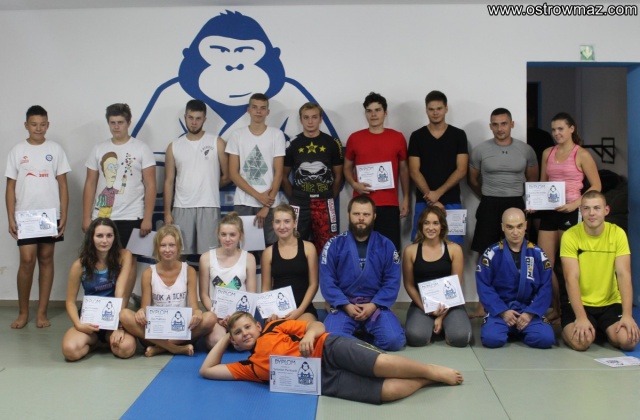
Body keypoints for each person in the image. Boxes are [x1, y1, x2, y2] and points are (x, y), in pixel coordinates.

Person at [199, 311, 463, 404]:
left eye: (247, 327)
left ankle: (430, 370)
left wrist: (308, 336)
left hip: (327, 348)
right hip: (321, 380)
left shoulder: (273, 327)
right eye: (238, 333)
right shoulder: (249, 367)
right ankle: (427, 379)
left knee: (381, 364)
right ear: (234, 340)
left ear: (258, 326)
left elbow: (316, 324)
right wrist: (226, 336)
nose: (244, 333)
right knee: (386, 392)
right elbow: (207, 370)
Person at [83, 103, 157, 305]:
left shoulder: (141, 148)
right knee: (101, 259)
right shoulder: (99, 149)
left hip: (133, 215)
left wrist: (148, 218)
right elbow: (90, 184)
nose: (116, 126)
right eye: (112, 122)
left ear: (128, 122)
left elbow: (151, 184)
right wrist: (86, 217)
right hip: (102, 217)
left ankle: (121, 305)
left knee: (129, 262)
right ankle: (103, 303)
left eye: (120, 122)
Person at [5, 105, 70, 329]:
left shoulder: (55, 149)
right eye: (34, 124)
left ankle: (42, 312)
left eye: (42, 124)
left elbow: (63, 185)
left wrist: (64, 215)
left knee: (46, 258)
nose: (38, 128)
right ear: (26, 125)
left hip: (49, 215)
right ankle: (23, 313)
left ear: (48, 125)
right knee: (27, 260)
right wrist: (10, 217)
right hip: (25, 215)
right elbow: (10, 187)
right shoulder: (17, 151)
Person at [536, 113, 601, 323]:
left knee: (567, 265)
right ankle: (557, 308)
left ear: (571, 129)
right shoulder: (547, 152)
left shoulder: (581, 154)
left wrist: (575, 204)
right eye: (554, 129)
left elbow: (597, 186)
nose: (556, 133)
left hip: (572, 210)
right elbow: (542, 184)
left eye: (561, 129)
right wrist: (534, 203)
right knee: (545, 263)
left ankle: (572, 311)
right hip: (550, 211)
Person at [320, 195, 405, 351]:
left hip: (375, 306)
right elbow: (327, 280)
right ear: (348, 215)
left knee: (394, 341)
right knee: (329, 340)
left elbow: (392, 281)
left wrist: (373, 305)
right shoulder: (334, 244)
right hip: (345, 306)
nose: (361, 218)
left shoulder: (386, 245)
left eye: (366, 214)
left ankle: (356, 340)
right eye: (356, 214)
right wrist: (345, 305)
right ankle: (359, 337)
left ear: (374, 216)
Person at [560, 191, 640, 351]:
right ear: (581, 211)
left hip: (610, 303)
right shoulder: (570, 236)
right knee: (581, 342)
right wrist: (581, 317)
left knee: (629, 341)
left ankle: (602, 329)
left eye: (597, 208)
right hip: (580, 303)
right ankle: (572, 329)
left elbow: (624, 275)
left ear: (606, 210)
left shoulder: (618, 234)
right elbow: (571, 278)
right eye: (586, 208)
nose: (591, 213)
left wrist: (627, 315)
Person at [120, 225, 216, 356]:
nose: (167, 250)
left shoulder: (189, 271)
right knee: (124, 314)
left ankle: (160, 348)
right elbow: (145, 308)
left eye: (172, 245)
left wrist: (198, 313)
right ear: (157, 248)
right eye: (163, 245)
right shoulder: (148, 273)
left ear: (178, 247)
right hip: (156, 330)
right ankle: (175, 348)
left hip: (181, 329)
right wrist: (141, 312)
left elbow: (194, 306)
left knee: (210, 317)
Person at [475, 208, 555, 349]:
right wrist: (503, 311)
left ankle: (521, 329)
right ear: (502, 227)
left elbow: (546, 286)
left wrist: (530, 313)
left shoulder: (537, 253)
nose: (515, 232)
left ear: (526, 225)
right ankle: (511, 328)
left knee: (546, 339)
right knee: (491, 339)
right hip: (501, 310)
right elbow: (483, 285)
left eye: (519, 226)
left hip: (528, 310)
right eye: (510, 227)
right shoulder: (492, 253)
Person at [61, 218, 136, 361]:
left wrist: (119, 327)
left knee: (126, 349)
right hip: (90, 319)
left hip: (114, 318)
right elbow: (70, 302)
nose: (104, 241)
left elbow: (120, 292)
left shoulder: (124, 256)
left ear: (115, 237)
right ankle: (94, 343)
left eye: (109, 236)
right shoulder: (79, 265)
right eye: (99, 236)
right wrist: (79, 325)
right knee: (70, 352)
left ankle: (107, 340)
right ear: (91, 238)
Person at [343, 92, 409, 251]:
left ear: (385, 113)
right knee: (359, 249)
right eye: (369, 111)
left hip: (389, 204)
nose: (373, 114)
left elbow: (404, 170)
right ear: (365, 113)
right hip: (361, 204)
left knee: (390, 250)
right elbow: (346, 167)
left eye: (377, 110)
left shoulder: (397, 137)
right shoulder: (354, 138)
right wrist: (354, 184)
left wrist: (406, 198)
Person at [164, 99, 230, 255]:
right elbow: (168, 182)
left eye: (198, 118)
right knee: (178, 255)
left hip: (209, 205)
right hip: (181, 207)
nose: (194, 122)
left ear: (204, 119)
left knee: (210, 256)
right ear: (185, 117)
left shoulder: (217, 142)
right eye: (190, 118)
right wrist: (167, 212)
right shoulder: (174, 146)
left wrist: (206, 186)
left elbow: (228, 176)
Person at [469, 108, 538, 254]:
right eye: (495, 124)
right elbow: (473, 180)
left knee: (518, 249)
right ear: (490, 126)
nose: (500, 129)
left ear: (512, 124)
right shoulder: (480, 150)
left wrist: (528, 200)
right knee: (486, 251)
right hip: (489, 204)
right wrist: (487, 195)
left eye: (504, 124)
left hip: (516, 202)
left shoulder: (526, 150)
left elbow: (532, 180)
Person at [402, 206, 471, 347]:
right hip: (422, 304)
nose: (431, 228)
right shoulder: (411, 251)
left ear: (442, 226)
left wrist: (441, 316)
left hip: (450, 304)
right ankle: (429, 326)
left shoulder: (454, 249)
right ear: (421, 225)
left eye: (435, 223)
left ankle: (445, 325)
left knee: (461, 338)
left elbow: (456, 286)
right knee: (415, 337)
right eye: (426, 223)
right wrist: (425, 308)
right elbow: (409, 285)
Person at [282, 102, 344, 254]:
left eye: (314, 117)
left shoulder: (332, 143)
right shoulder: (292, 144)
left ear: (320, 119)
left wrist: (329, 197)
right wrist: (295, 197)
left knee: (328, 248)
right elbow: (283, 176)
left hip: (325, 202)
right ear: (301, 120)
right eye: (306, 117)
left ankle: (325, 272)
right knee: (294, 246)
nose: (310, 122)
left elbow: (338, 176)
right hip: (299, 202)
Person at [225, 93, 286, 246]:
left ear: (268, 112)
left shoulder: (277, 135)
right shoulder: (237, 135)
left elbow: (279, 173)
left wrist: (266, 205)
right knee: (245, 248)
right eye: (255, 107)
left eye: (263, 108)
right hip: (244, 202)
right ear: (248, 110)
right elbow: (233, 173)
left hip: (270, 203)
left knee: (272, 248)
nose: (259, 111)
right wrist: (258, 196)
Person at [408, 91, 468, 244]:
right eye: (431, 109)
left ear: (446, 109)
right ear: (426, 110)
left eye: (439, 108)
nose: (435, 113)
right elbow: (414, 170)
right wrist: (431, 199)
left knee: (453, 247)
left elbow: (462, 169)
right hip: (424, 201)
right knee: (420, 245)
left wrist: (438, 193)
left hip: (452, 202)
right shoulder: (417, 136)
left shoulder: (459, 135)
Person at [199, 212, 257, 349]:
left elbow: (251, 295)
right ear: (218, 235)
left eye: (232, 235)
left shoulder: (249, 258)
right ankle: (230, 337)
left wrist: (237, 318)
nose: (227, 239)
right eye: (223, 234)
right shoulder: (206, 258)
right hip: (217, 315)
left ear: (240, 235)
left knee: (245, 345)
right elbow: (204, 295)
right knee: (214, 342)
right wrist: (218, 316)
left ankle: (235, 335)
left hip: (241, 315)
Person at [261, 204, 319, 322]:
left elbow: (313, 284)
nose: (282, 226)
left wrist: (300, 310)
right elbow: (266, 288)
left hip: (304, 309)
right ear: (273, 224)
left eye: (287, 221)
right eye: (278, 222)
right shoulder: (268, 253)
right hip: (277, 311)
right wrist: (270, 311)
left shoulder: (309, 248)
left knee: (308, 330)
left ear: (294, 223)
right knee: (276, 333)